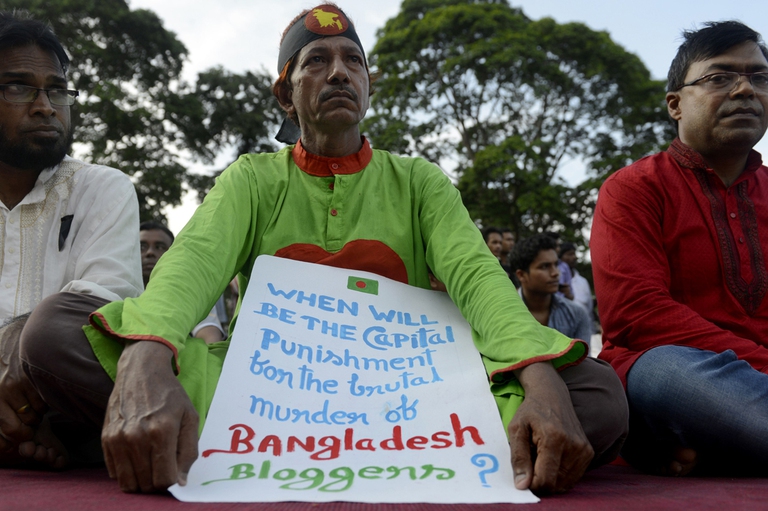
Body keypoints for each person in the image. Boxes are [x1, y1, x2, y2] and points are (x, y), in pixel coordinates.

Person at [22, 4, 627, 494]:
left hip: (406, 400)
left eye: (352, 61)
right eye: (317, 61)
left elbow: (476, 277)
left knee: (594, 395)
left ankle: (177, 441)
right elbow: (193, 264)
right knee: (54, 330)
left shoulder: (419, 181)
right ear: (285, 96)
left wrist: (539, 375)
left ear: (368, 84)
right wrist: (147, 351)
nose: (339, 72)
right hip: (263, 397)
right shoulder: (252, 179)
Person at [591, 20, 768, 477]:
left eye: (760, 77)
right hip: (678, 372)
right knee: (670, 372)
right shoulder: (632, 189)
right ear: (675, 104)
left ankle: (723, 446)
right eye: (720, 77)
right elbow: (639, 315)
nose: (746, 89)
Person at [0, 12, 142, 468]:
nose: (46, 106)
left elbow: (105, 307)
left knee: (51, 334)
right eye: (19, 87)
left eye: (57, 89)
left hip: (71, 394)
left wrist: (16, 349)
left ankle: (22, 428)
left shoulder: (102, 187)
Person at [139, 221, 225, 344]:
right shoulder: (116, 288)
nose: (150, 253)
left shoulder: (191, 291)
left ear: (172, 254)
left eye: (160, 247)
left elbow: (209, 336)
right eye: (142, 247)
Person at [511, 235, 591, 344]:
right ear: (521, 275)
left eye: (556, 265)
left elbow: (584, 360)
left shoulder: (577, 315)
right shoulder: (505, 314)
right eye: (544, 266)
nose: (555, 273)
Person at [559, 243, 596, 336]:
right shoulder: (553, 281)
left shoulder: (583, 282)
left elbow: (589, 310)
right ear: (560, 258)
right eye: (569, 254)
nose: (574, 257)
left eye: (574, 254)